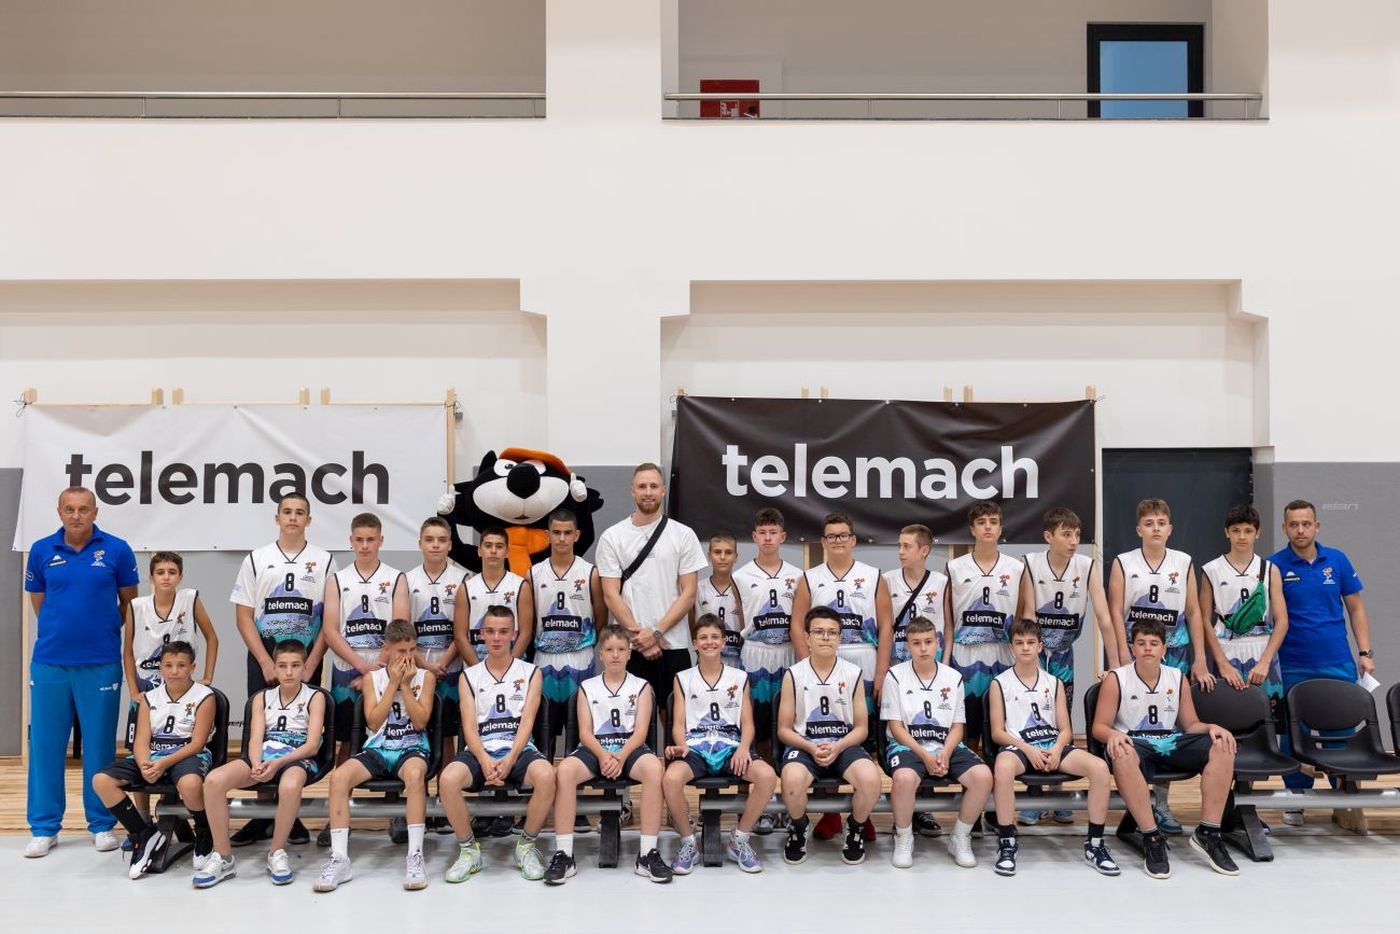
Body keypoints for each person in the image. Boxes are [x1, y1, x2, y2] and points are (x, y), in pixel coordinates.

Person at [25, 486, 140, 858]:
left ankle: (102, 824)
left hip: (101, 663)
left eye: (84, 509)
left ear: (95, 512)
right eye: (70, 509)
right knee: (45, 747)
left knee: (100, 747)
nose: (77, 516)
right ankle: (44, 828)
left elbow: (129, 604)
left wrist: (100, 631)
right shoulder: (41, 550)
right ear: (59, 512)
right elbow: (41, 604)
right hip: (51, 663)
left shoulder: (117, 549)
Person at [1092, 619, 1240, 879]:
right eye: (1141, 643)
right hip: (1134, 742)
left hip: (1170, 741)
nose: (1147, 648)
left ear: (1164, 648)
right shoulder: (1117, 678)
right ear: (1133, 647)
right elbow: (1099, 727)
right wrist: (1113, 735)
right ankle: (1151, 837)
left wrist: (1212, 727)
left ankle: (1209, 832)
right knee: (1122, 753)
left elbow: (1191, 724)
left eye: (1154, 643)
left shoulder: (1176, 676)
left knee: (1222, 745)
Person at [228, 491, 335, 847]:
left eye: (299, 512)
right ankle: (263, 815)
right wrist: (263, 659)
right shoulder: (257, 558)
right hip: (265, 657)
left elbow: (330, 620)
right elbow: (244, 616)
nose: (292, 517)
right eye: (286, 511)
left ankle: (290, 814)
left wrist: (313, 662)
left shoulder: (324, 560)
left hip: (305, 660)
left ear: (308, 520)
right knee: (265, 732)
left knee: (298, 731)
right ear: (277, 518)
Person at [1107, 498, 1214, 836]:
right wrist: (1119, 657)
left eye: (1161, 523)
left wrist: (1199, 658)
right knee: (1135, 726)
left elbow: (1194, 612)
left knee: (1168, 729)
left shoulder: (1183, 562)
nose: (1155, 528)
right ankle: (1141, 799)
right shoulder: (1123, 562)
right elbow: (1114, 613)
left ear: (1170, 529)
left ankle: (1162, 802)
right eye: (1149, 523)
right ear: (1138, 529)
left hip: (1175, 651)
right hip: (1135, 653)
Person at [1269, 499, 1372, 826]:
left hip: (1337, 662)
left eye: (1306, 524)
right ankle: (1296, 798)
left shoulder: (1337, 560)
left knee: (1339, 732)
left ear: (1317, 526)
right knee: (1292, 734)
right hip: (1291, 664)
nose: (1300, 530)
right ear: (1284, 528)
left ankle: (1343, 798)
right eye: (1293, 524)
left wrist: (1365, 653)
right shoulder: (1273, 566)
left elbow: (1356, 608)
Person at [989, 620, 1120, 877]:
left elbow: (1066, 730)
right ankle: (1007, 842)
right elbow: (997, 732)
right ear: (1011, 648)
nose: (1025, 647)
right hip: (1020, 747)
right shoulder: (999, 683)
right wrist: (1028, 750)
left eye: (1030, 642)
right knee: (1002, 768)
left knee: (1099, 768)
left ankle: (1095, 844)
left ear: (1040, 646)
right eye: (1019, 643)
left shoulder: (1054, 682)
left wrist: (1059, 749)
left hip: (1052, 744)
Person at [314, 619, 435, 892]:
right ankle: (339, 859)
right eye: (401, 651)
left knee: (416, 774)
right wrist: (393, 684)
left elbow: (420, 723)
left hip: (411, 746)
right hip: (379, 747)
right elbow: (373, 722)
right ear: (387, 648)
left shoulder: (426, 678)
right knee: (340, 777)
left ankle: (415, 856)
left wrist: (406, 686)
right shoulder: (372, 679)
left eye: (412, 650)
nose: (407, 657)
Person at [790, 512, 890, 843]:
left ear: (853, 540)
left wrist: (880, 672)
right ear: (823, 541)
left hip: (863, 656)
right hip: (821, 659)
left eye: (843, 535)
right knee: (826, 728)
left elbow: (886, 627)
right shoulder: (810, 578)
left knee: (862, 735)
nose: (837, 541)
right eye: (831, 536)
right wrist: (807, 666)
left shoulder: (873, 576)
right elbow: (797, 625)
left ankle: (864, 812)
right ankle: (831, 813)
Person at [438, 605, 555, 883]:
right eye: (490, 631)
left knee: (547, 775)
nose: (497, 638)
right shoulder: (469, 676)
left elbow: (527, 723)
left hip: (518, 749)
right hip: (481, 750)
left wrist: (511, 759)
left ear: (514, 634)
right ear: (481, 634)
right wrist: (484, 760)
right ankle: (469, 850)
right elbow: (469, 727)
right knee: (448, 779)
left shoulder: (531, 672)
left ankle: (526, 846)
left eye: (503, 632)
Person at [545, 624, 670, 885]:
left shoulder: (641, 686)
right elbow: (585, 733)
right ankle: (564, 854)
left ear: (629, 654)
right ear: (600, 654)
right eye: (610, 649)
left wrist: (620, 756)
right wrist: (603, 756)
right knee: (565, 771)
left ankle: (647, 854)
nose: (615, 655)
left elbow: (641, 733)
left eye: (621, 649)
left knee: (654, 769)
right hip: (596, 748)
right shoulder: (587, 687)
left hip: (630, 748)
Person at [1016, 506, 1118, 826]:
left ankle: (1057, 790)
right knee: (1033, 721)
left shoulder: (1086, 566)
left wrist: (1115, 665)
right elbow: (1028, 615)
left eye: (1076, 534)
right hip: (1035, 653)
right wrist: (1031, 659)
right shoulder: (1030, 564)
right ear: (1049, 536)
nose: (1073, 540)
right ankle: (1034, 794)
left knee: (1062, 720)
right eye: (1066, 534)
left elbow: (1104, 617)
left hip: (1063, 654)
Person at [196, 640, 326, 887]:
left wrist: (278, 763)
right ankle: (223, 856)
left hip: (297, 758)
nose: (289, 672)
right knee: (213, 780)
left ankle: (277, 852)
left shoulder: (315, 696)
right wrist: (256, 763)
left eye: (295, 665)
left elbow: (312, 746)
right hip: (264, 756)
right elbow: (255, 738)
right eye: (283, 666)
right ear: (274, 668)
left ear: (304, 667)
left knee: (289, 786)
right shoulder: (262, 698)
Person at [663, 613, 778, 875]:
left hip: (730, 747)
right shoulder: (683, 677)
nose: (709, 642)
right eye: (703, 637)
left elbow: (748, 723)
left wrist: (743, 748)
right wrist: (682, 745)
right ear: (694, 643)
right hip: (696, 747)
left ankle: (740, 839)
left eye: (715, 637)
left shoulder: (739, 677)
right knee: (670, 779)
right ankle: (688, 842)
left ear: (724, 642)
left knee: (767, 776)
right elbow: (678, 723)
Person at [91, 640, 215, 880]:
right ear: (160, 667)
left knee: (190, 784)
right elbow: (141, 740)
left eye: (181, 665)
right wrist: (144, 764)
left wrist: (163, 764)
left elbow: (198, 743)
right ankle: (144, 833)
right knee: (101, 781)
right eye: (168, 665)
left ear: (192, 667)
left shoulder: (205, 696)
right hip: (154, 755)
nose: (174, 671)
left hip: (188, 753)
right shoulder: (149, 697)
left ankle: (204, 832)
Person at [121, 551, 219, 838]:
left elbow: (212, 637)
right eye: (160, 572)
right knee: (141, 751)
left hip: (181, 684)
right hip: (148, 688)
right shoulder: (137, 606)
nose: (166, 577)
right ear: (151, 577)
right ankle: (143, 821)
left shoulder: (190, 599)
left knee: (178, 745)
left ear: (180, 576)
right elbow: (127, 651)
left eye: (172, 572)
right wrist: (133, 689)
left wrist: (208, 676)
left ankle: (177, 815)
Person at [881, 617, 993, 870]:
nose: (923, 648)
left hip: (945, 745)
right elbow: (896, 728)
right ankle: (904, 837)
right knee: (904, 779)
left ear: (938, 643)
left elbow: (958, 727)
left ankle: (960, 836)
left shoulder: (953, 677)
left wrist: (945, 752)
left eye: (928, 641)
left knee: (983, 776)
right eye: (916, 643)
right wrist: (925, 755)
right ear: (907, 646)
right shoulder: (895, 676)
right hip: (908, 745)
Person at [596, 462, 707, 713]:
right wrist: (641, 638)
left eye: (654, 486)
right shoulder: (613, 537)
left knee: (675, 718)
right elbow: (610, 595)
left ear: (663, 490)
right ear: (632, 491)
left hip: (673, 644)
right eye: (642, 486)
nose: (648, 492)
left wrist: (656, 632)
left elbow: (689, 593)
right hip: (630, 647)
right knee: (634, 719)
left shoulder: (683, 535)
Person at [777, 607, 882, 867]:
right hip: (805, 745)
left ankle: (855, 828)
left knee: (871, 780)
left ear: (840, 638)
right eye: (819, 632)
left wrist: (839, 746)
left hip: (844, 744)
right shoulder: (794, 674)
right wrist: (811, 748)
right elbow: (784, 729)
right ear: (807, 637)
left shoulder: (853, 673)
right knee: (791, 782)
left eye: (832, 632)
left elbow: (861, 728)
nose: (826, 637)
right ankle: (799, 828)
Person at [732, 507, 801, 833]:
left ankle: (789, 800)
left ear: (783, 536)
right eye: (763, 533)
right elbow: (741, 618)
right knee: (757, 728)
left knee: (788, 729)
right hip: (756, 655)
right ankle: (761, 803)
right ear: (754, 537)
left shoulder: (798, 575)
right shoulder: (741, 575)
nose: (768, 538)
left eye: (774, 532)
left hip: (787, 654)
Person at [322, 512, 409, 763]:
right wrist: (361, 666)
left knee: (387, 736)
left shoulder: (396, 578)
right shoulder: (337, 580)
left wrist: (376, 670)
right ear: (350, 540)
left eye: (370, 539)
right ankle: (342, 787)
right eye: (359, 540)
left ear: (381, 540)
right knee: (347, 741)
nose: (364, 546)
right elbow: (330, 631)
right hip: (347, 669)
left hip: (386, 668)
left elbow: (399, 630)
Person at [882, 522, 948, 837]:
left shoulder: (942, 582)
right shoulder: (887, 580)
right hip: (897, 665)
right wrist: (882, 669)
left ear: (924, 550)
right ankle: (900, 800)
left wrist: (946, 665)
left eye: (906, 546)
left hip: (929, 666)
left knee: (930, 729)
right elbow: (883, 627)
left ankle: (925, 808)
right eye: (899, 545)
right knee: (899, 730)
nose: (900, 551)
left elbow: (948, 625)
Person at [944, 502, 1025, 754]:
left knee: (1003, 726)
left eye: (993, 522)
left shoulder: (1016, 568)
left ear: (1001, 528)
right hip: (965, 654)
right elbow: (948, 622)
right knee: (968, 725)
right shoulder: (954, 567)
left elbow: (1020, 615)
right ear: (972, 529)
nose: (987, 527)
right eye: (981, 522)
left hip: (1003, 652)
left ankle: (1000, 770)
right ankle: (969, 769)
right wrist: (946, 659)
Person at [1199, 504, 1288, 732]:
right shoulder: (1211, 570)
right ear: (1226, 532)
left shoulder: (1270, 569)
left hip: (1262, 651)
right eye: (1236, 530)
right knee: (1226, 725)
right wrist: (1222, 663)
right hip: (1226, 650)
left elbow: (1282, 621)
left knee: (1267, 728)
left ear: (1257, 533)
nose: (1241, 536)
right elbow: (1203, 621)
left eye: (1248, 531)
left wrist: (1266, 661)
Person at [407, 516, 472, 772]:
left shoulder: (463, 578)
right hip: (416, 668)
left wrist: (442, 664)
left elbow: (462, 630)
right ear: (420, 544)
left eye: (442, 540)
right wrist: (425, 666)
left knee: (446, 734)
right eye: (430, 540)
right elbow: (404, 631)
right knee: (416, 732)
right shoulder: (407, 579)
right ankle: (418, 791)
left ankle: (445, 792)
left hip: (450, 668)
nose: (435, 545)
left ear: (450, 545)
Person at [455, 526, 534, 668]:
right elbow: (460, 637)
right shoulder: (465, 588)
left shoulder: (521, 586)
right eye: (488, 545)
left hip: (512, 670)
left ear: (507, 552)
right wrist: (479, 671)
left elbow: (526, 633)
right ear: (479, 551)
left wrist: (508, 668)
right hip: (475, 670)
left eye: (499, 546)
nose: (493, 551)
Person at [692, 532, 744, 669]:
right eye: (717, 552)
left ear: (736, 557)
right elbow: (692, 625)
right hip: (706, 659)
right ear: (709, 556)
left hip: (737, 660)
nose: (722, 557)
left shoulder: (743, 589)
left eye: (728, 552)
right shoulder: (698, 589)